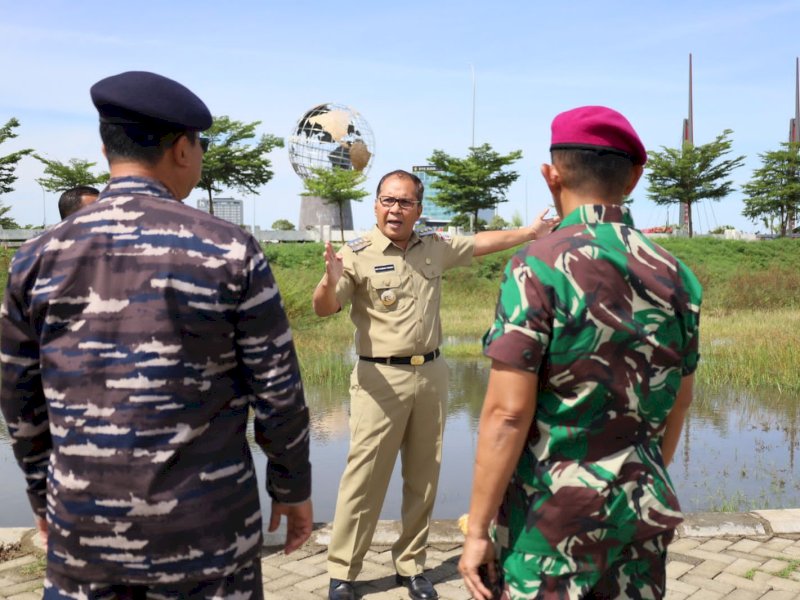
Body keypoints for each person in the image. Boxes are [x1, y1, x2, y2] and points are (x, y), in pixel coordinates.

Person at [0, 70, 312, 599]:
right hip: (206, 537)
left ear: (106, 149)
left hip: (84, 535)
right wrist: (291, 487)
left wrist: (42, 496)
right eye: (199, 144)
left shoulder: (36, 257)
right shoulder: (230, 250)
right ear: (183, 149)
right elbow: (278, 392)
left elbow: (18, 399)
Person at [458, 106, 702, 600]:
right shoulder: (676, 274)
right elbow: (680, 401)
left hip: (550, 526)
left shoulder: (537, 266)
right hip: (640, 515)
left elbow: (507, 413)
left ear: (551, 176)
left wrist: (477, 531)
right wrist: (637, 482)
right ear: (634, 177)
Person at [313, 169, 559, 600]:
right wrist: (329, 280)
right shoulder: (355, 254)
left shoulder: (434, 247)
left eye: (405, 202)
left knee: (424, 476)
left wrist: (530, 233)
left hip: (430, 374)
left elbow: (480, 242)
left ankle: (411, 566)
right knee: (364, 478)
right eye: (388, 200)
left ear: (418, 209)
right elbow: (324, 307)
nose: (395, 209)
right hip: (379, 379)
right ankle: (343, 572)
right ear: (375, 205)